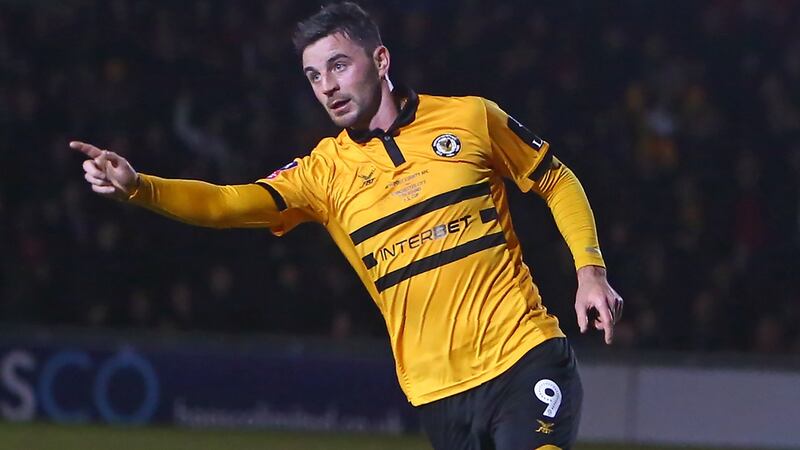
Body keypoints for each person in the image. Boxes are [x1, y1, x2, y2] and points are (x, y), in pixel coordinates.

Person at [71, 2, 622, 449]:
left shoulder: (469, 117)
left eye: (339, 65)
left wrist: (590, 269)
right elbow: (226, 203)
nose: (327, 86)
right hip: (436, 394)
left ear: (380, 59)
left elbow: (554, 178)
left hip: (523, 355)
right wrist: (141, 185)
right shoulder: (323, 173)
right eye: (313, 75)